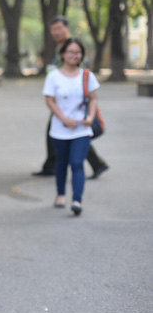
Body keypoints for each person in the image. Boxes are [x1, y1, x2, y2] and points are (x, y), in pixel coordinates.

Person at [33, 15, 109, 179]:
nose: (56, 32)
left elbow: (80, 72)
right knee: (63, 131)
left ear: (67, 29)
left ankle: (56, 166)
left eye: (59, 28)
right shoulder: (59, 47)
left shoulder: (72, 46)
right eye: (53, 29)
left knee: (75, 132)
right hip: (61, 98)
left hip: (75, 100)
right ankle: (53, 164)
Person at [43, 38, 98, 216]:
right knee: (61, 163)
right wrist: (63, 118)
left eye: (78, 52)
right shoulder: (53, 76)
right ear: (63, 54)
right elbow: (49, 100)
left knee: (77, 163)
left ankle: (77, 200)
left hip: (82, 129)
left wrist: (90, 116)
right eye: (70, 52)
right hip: (60, 129)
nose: (74, 55)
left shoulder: (87, 76)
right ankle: (60, 194)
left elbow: (94, 98)